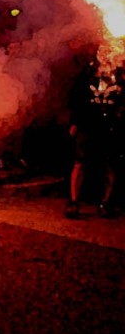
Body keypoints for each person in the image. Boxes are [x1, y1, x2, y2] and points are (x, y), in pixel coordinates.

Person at [65, 55, 123, 219]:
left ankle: (105, 203)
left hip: (109, 128)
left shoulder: (119, 81)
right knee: (80, 163)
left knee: (110, 166)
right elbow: (76, 100)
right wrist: (74, 122)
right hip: (87, 126)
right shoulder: (88, 78)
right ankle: (74, 202)